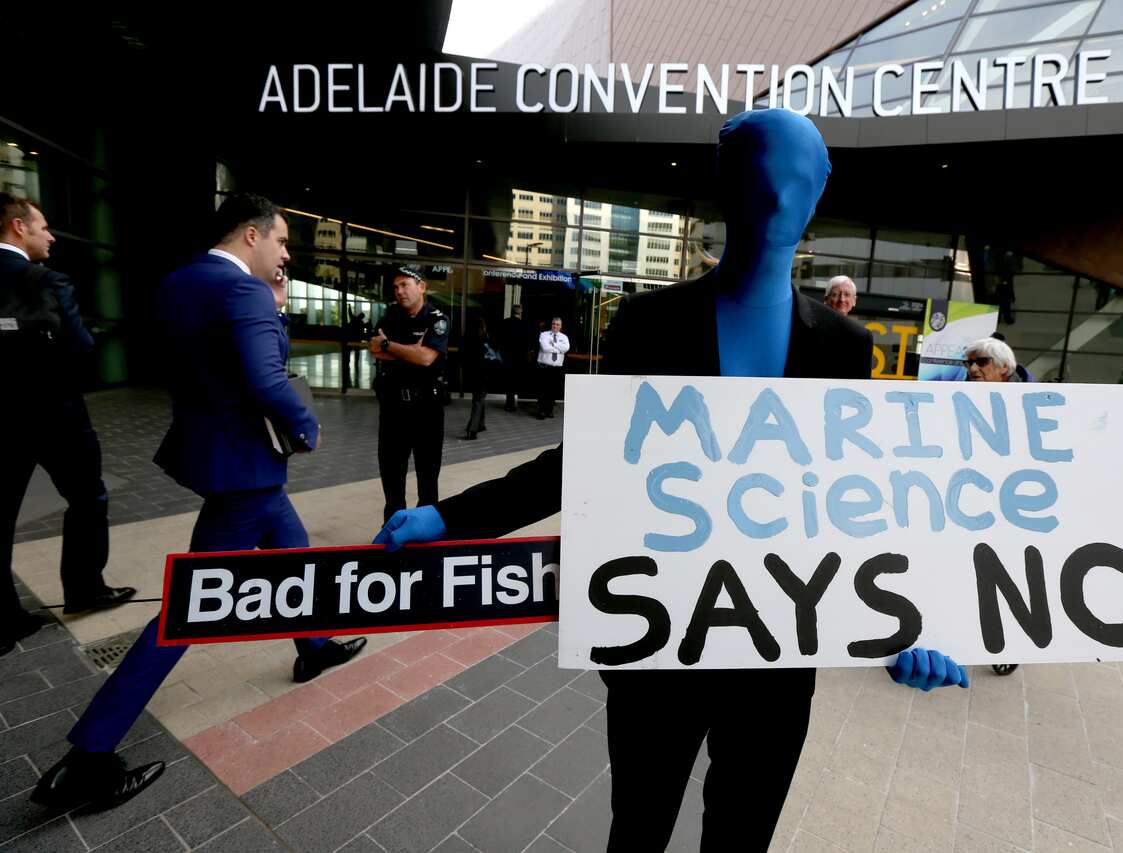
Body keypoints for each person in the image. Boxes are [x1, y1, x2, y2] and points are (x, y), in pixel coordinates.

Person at [374, 110, 968, 852]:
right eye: (760, 174)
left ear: (819, 192)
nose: (779, 196)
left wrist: (910, 620)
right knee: (640, 830)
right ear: (725, 184)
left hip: (776, 658)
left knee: (742, 836)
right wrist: (454, 518)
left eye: (797, 177)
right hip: (660, 641)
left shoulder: (846, 346)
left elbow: (859, 496)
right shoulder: (649, 322)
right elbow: (591, 460)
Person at [31, 193, 366, 809]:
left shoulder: (179, 282)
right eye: (282, 241)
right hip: (245, 471)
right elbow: (266, 378)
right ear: (251, 235)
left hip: (214, 458)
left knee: (293, 554)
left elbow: (212, 363)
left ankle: (314, 646)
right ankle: (88, 759)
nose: (286, 252)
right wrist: (306, 426)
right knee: (188, 612)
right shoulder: (245, 293)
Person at [0, 193, 134, 655]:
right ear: (18, 228)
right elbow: (79, 347)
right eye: (42, 227)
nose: (50, 235)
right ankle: (84, 589)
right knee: (87, 497)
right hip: (56, 413)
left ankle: (4, 620)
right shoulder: (46, 280)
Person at [371, 265, 449, 523]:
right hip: (393, 408)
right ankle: (392, 537)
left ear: (422, 287)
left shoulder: (436, 319)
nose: (399, 291)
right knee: (392, 481)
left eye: (405, 285)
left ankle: (426, 538)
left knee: (428, 481)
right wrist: (408, 351)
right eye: (396, 287)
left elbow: (426, 358)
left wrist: (390, 345)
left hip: (427, 407)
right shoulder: (389, 317)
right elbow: (376, 350)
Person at [964, 335, 1023, 677]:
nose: (972, 369)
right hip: (971, 501)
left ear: (1004, 368)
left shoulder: (1028, 403)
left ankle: (1011, 641)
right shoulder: (961, 398)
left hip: (1013, 507)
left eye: (981, 362)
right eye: (968, 363)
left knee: (1009, 573)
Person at [462, 316, 501, 440]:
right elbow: (493, 357)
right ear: (483, 327)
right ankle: (472, 429)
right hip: (483, 374)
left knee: (479, 398)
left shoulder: (466, 339)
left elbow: (461, 356)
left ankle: (481, 424)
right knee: (478, 400)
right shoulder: (486, 340)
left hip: (471, 373)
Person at [499, 304, 532, 411]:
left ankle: (509, 402)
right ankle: (513, 402)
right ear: (520, 312)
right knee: (515, 379)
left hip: (507, 356)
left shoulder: (504, 323)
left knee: (508, 379)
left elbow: (500, 340)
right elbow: (527, 342)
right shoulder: (525, 325)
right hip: (519, 357)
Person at [535, 316, 569, 419]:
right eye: (554, 324)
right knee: (542, 390)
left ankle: (549, 411)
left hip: (556, 367)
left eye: (557, 324)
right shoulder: (544, 335)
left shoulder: (564, 337)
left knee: (553, 390)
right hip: (544, 367)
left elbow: (566, 348)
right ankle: (541, 412)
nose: (555, 326)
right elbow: (545, 348)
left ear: (561, 326)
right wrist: (559, 349)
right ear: (551, 324)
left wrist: (553, 344)